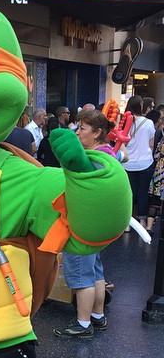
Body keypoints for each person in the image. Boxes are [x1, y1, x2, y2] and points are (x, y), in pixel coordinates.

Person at [53, 109, 120, 337]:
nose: (77, 132)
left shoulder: (90, 160)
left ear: (97, 132)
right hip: (98, 227)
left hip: (82, 226)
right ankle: (98, 317)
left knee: (82, 276)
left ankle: (83, 324)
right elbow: (125, 156)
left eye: (82, 129)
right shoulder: (108, 154)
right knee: (96, 273)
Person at [123, 95, 155, 231]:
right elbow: (151, 144)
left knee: (128, 192)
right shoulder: (148, 123)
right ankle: (142, 221)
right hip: (145, 163)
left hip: (127, 163)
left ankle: (127, 223)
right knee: (142, 192)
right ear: (140, 106)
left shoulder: (124, 122)